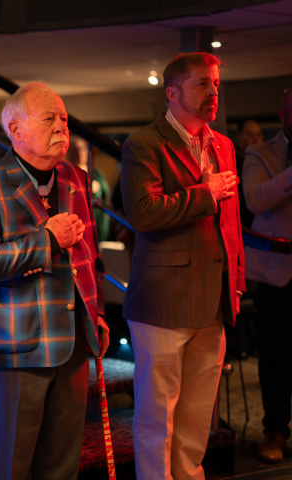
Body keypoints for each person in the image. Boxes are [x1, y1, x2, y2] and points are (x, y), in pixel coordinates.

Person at [0, 81, 109, 480]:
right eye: (49, 119)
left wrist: (96, 313)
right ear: (16, 130)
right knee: (9, 469)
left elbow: (90, 256)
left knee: (62, 470)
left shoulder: (76, 178)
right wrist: (48, 240)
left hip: (73, 344)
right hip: (15, 349)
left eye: (64, 118)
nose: (62, 126)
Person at [120, 52, 245, 479]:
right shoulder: (143, 144)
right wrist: (204, 193)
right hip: (163, 300)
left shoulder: (223, 145)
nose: (212, 92)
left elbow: (231, 223)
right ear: (172, 93)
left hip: (214, 299)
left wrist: (236, 281)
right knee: (157, 417)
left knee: (196, 416)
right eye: (201, 84)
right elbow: (142, 213)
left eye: (215, 84)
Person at [242, 86, 292, 463]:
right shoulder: (260, 153)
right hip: (279, 274)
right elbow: (256, 199)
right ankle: (275, 430)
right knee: (276, 355)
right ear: (282, 115)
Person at [64, 136, 111, 241]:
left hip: (98, 224)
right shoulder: (65, 175)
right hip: (78, 225)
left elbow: (106, 199)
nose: (79, 153)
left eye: (81, 149)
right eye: (74, 150)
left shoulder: (97, 175)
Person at [236, 119, 264, 228]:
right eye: (249, 135)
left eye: (258, 134)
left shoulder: (267, 162)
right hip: (244, 225)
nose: (256, 140)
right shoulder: (232, 163)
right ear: (239, 139)